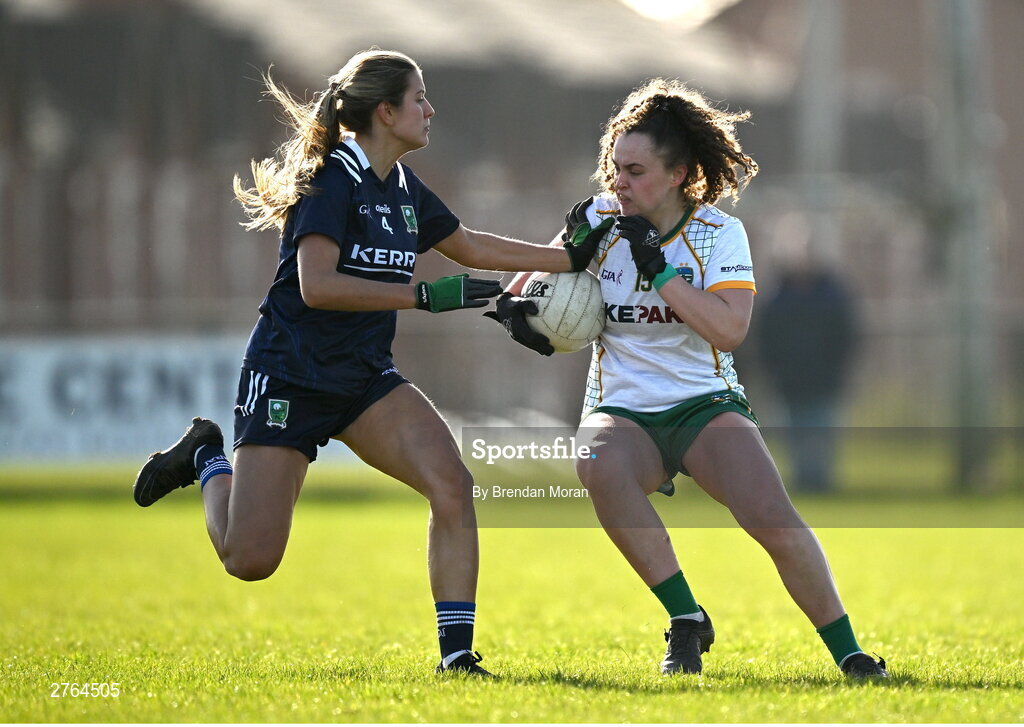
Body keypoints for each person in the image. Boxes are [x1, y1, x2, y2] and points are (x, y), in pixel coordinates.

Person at [132, 48, 601, 677]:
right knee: (250, 559)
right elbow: (316, 286)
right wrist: (423, 298)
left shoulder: (404, 186)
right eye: (420, 99)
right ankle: (206, 454)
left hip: (363, 380)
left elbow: (471, 247)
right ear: (386, 111)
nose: (431, 110)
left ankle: (457, 658)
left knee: (453, 484)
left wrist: (567, 258)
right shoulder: (330, 179)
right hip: (291, 375)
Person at [489, 79, 888, 679]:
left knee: (772, 520)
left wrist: (656, 265)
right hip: (621, 408)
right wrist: (524, 312)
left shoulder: (718, 234)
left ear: (677, 174)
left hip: (704, 403)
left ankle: (851, 654)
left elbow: (728, 331)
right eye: (615, 167)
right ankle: (686, 620)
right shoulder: (600, 216)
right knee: (596, 463)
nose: (619, 182)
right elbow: (528, 289)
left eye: (636, 170)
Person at [759, 239, 859, 493]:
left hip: (823, 379)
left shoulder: (833, 296)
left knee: (821, 431)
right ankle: (801, 481)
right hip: (788, 381)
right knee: (793, 433)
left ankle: (821, 482)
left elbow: (846, 337)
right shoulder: (777, 299)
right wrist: (775, 371)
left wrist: (835, 369)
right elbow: (766, 340)